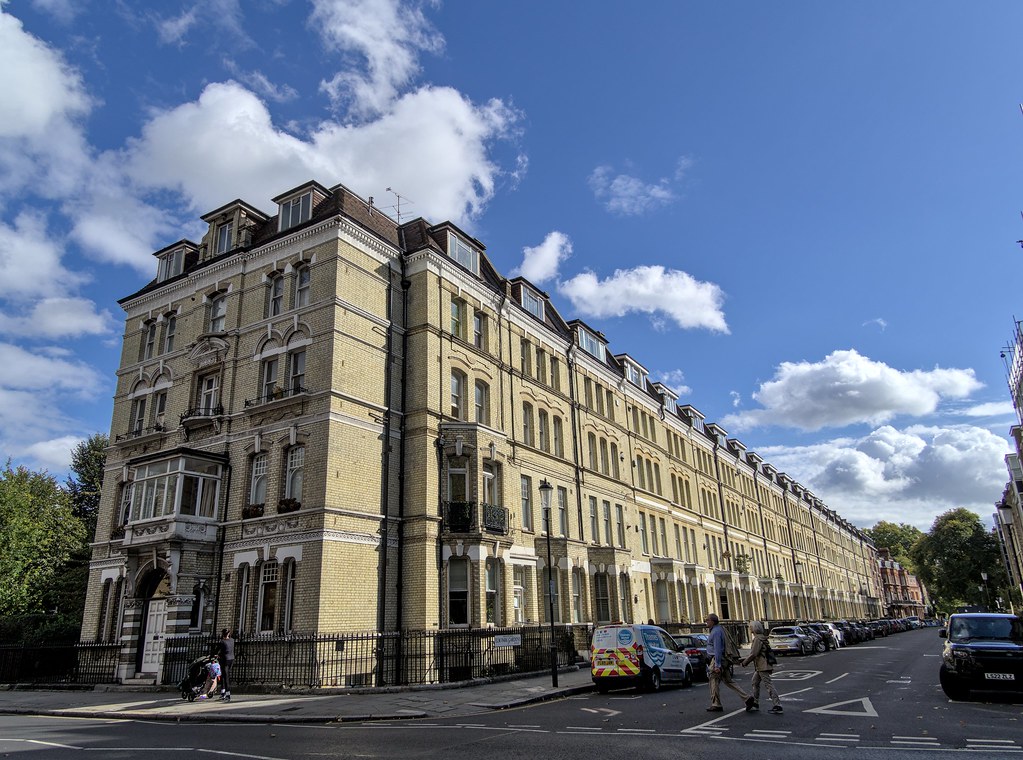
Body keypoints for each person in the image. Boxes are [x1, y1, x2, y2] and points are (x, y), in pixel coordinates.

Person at [705, 613, 755, 712]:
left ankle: (716, 704)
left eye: (707, 620)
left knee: (713, 680)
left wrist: (717, 665)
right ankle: (747, 698)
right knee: (728, 681)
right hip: (723, 659)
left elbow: (718, 649)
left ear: (712, 621)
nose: (706, 622)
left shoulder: (716, 632)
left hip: (717, 659)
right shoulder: (719, 630)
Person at [741, 620, 782, 714]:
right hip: (761, 666)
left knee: (768, 685)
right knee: (755, 682)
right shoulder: (760, 638)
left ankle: (777, 705)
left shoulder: (757, 639)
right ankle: (755, 703)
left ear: (755, 628)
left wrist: (745, 662)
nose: (749, 628)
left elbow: (753, 654)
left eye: (751, 627)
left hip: (763, 666)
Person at [217, 628, 235, 702]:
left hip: (225, 660)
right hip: (231, 659)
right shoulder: (232, 640)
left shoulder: (222, 642)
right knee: (224, 676)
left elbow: (218, 650)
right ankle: (223, 692)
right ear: (229, 633)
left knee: (225, 677)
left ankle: (227, 694)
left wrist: (215, 655)